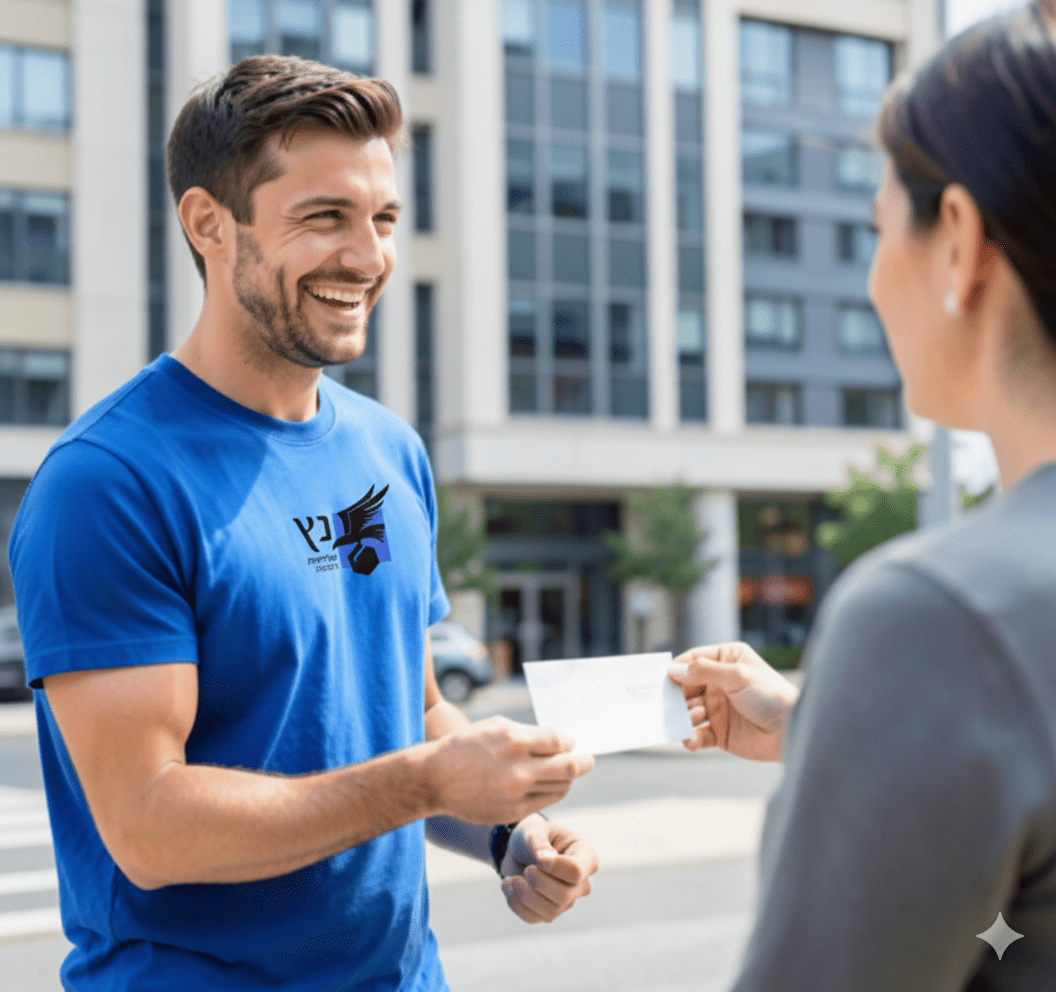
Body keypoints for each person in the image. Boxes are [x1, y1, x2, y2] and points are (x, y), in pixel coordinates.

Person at [8, 56, 598, 991]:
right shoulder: (108, 482)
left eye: (383, 219)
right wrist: (426, 782)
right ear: (209, 224)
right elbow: (150, 828)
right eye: (325, 217)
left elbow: (412, 715)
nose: (367, 257)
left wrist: (505, 827)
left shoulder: (389, 450)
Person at [670, 3, 1056, 989]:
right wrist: (834, 728)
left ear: (958, 239)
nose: (875, 280)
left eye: (877, 230)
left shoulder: (940, 617)